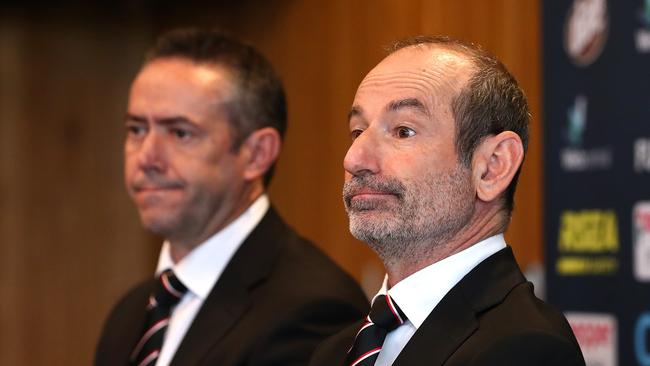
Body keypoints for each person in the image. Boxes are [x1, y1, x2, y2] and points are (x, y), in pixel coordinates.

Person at [95, 29, 368, 366]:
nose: (147, 158)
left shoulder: (313, 309)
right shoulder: (130, 313)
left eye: (180, 133)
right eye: (136, 130)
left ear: (256, 154)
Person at [309, 36, 585, 366]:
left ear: (492, 167)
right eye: (357, 131)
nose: (354, 159)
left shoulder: (525, 349)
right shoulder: (336, 351)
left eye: (403, 131)